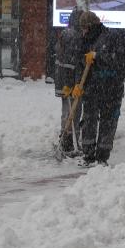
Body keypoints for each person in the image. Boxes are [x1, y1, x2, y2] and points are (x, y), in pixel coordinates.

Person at [77, 11, 125, 166]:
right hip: (92, 88)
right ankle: (88, 154)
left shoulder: (111, 37)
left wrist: (98, 56)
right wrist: (78, 84)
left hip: (111, 87)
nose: (83, 31)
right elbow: (80, 64)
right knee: (88, 120)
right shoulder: (85, 40)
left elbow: (118, 61)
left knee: (108, 121)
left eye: (85, 28)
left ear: (92, 26)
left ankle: (102, 156)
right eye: (82, 29)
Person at [54, 10, 83, 158]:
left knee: (67, 110)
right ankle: (70, 140)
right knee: (74, 112)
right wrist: (73, 84)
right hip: (70, 81)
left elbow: (62, 60)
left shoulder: (65, 34)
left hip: (63, 80)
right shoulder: (75, 37)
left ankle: (65, 137)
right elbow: (71, 64)